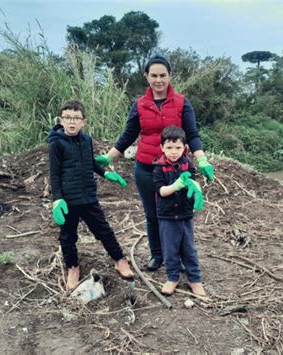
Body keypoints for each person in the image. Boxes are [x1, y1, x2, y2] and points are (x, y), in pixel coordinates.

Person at [94, 55, 214, 272]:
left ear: (170, 76)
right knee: (153, 213)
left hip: (177, 169)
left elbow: (192, 134)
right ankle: (157, 255)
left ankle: (180, 257)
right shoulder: (140, 104)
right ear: (146, 77)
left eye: (162, 75)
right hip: (146, 167)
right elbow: (129, 134)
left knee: (179, 213)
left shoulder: (181, 102)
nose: (158, 80)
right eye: (153, 76)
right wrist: (110, 157)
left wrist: (201, 158)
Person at [48, 99, 134, 290]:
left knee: (103, 230)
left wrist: (106, 173)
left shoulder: (87, 140)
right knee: (68, 237)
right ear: (61, 120)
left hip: (88, 196)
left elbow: (91, 163)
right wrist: (57, 199)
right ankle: (72, 267)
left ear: (83, 121)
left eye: (76, 118)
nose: (72, 122)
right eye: (68, 117)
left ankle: (120, 259)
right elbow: (54, 173)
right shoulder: (56, 144)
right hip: (68, 200)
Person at [152, 126, 206, 296]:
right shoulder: (158, 167)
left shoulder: (188, 164)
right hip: (167, 215)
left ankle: (194, 279)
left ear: (185, 148)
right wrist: (176, 186)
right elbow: (160, 191)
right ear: (162, 148)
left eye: (178, 148)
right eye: (169, 147)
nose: (173, 152)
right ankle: (172, 277)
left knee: (189, 249)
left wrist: (196, 191)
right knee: (170, 249)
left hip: (185, 214)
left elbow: (193, 182)